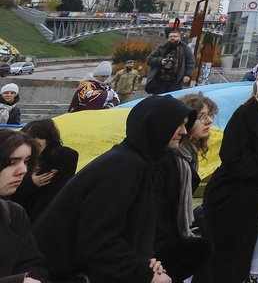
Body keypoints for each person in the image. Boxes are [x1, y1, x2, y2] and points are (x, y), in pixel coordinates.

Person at [34, 95, 195, 283]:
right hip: (60, 273)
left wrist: (146, 263)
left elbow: (134, 230)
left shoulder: (140, 163)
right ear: (157, 125)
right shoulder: (125, 166)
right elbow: (97, 240)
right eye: (178, 124)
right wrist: (144, 274)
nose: (184, 131)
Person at [201, 66, 258, 283]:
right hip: (232, 185)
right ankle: (247, 272)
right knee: (255, 200)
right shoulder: (244, 114)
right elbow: (232, 157)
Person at [152, 93, 213, 283]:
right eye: (202, 116)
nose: (209, 121)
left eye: (210, 115)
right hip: (158, 241)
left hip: (171, 233)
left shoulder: (188, 155)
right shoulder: (169, 158)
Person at [0, 129, 49, 283]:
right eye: (13, 162)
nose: (23, 170)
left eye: (26, 161)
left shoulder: (14, 214)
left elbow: (35, 267)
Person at [12, 119, 78, 222]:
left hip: (45, 217)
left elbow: (57, 193)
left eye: (37, 137)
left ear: (48, 139)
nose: (33, 143)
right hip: (21, 214)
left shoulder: (64, 156)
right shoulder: (21, 157)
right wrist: (30, 183)